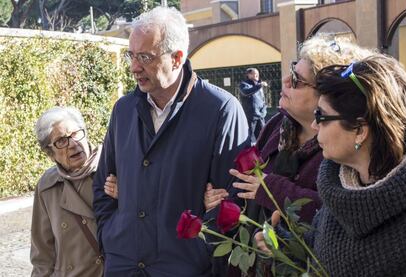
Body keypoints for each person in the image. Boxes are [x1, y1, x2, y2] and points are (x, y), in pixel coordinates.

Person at [92, 6, 249, 277]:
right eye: (131, 55)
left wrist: (199, 256)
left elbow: (233, 202)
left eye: (144, 57)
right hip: (123, 267)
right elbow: (102, 188)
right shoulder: (123, 110)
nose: (133, 67)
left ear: (177, 58)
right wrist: (111, 237)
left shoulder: (222, 110)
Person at [256, 53, 406, 276]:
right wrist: (284, 243)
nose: (313, 124)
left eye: (321, 116)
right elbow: (324, 249)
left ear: (359, 131)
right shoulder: (337, 184)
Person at [205, 35, 373, 224]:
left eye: (296, 80)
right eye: (292, 71)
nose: (285, 80)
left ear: (327, 95)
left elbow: (343, 215)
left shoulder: (343, 144)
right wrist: (221, 199)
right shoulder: (278, 124)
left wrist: (274, 190)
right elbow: (247, 185)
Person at [31, 107, 106, 276]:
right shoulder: (47, 186)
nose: (73, 144)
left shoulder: (112, 169)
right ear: (50, 154)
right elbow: (42, 254)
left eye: (76, 134)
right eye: (61, 141)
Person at [239, 68, 268, 144]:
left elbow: (263, 100)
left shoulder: (259, 85)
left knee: (263, 137)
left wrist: (264, 111)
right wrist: (259, 86)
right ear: (248, 75)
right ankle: (248, 153)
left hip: (260, 116)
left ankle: (262, 154)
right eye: (254, 73)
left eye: (257, 73)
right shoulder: (244, 84)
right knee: (249, 138)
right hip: (251, 117)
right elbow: (246, 92)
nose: (256, 75)